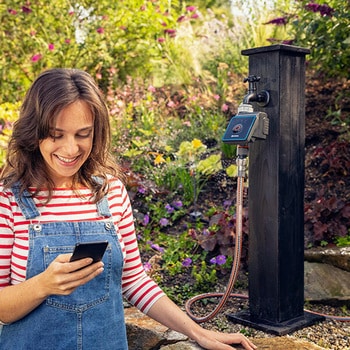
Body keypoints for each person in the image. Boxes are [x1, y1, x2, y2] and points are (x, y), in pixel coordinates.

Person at [0, 68, 257, 350]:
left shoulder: (110, 191)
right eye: (56, 135)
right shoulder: (9, 200)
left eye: (82, 134)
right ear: (33, 131)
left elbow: (134, 281)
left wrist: (200, 334)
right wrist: (44, 285)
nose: (71, 149)